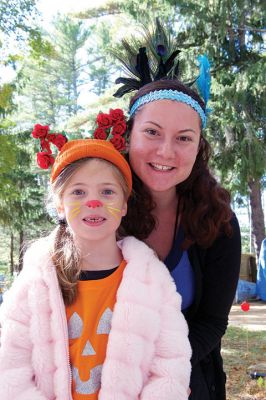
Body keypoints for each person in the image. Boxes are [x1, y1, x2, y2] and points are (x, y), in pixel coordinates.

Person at [0, 110, 192, 400]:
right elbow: (10, 370)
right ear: (60, 205)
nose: (93, 202)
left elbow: (171, 365)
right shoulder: (35, 281)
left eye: (107, 192)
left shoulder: (152, 279)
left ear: (125, 204)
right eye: (78, 192)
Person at [114, 43, 242, 399]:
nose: (166, 151)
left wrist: (162, 372)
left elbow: (212, 323)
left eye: (184, 138)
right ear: (129, 134)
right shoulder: (98, 209)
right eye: (152, 132)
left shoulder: (220, 223)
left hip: (184, 380)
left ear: (199, 146)